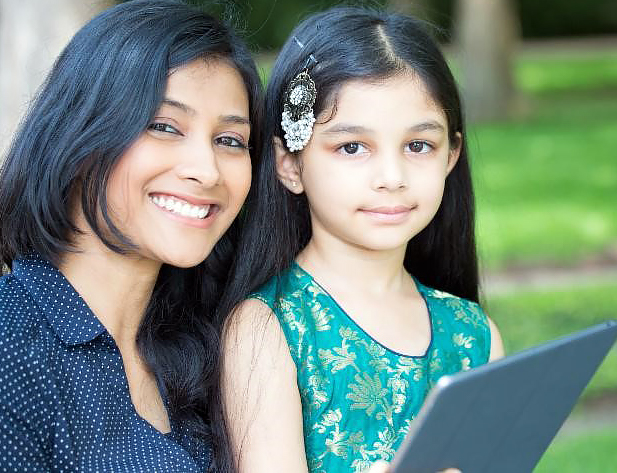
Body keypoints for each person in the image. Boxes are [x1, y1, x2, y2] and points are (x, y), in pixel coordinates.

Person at [216, 7, 504, 473]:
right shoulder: (269, 329)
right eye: (352, 147)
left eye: (418, 146)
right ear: (290, 164)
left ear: (451, 156)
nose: (391, 177)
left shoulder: (473, 333)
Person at [0, 0, 261, 470]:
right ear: (78, 135)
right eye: (164, 126)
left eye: (229, 140)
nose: (206, 170)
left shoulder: (218, 348)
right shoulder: (13, 345)